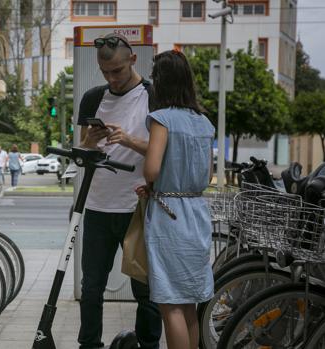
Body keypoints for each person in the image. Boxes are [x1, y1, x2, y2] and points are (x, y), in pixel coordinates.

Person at [77, 33, 162, 349]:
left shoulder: (154, 96)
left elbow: (163, 152)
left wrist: (128, 140)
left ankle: (148, 344)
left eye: (118, 71)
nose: (111, 79)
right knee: (91, 287)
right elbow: (83, 154)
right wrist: (88, 143)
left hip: (138, 207)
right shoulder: (93, 98)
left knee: (146, 289)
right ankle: (89, 345)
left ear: (133, 60)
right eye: (105, 73)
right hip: (99, 204)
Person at [136, 50, 215, 349]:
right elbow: (207, 177)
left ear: (161, 83)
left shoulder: (161, 119)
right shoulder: (204, 122)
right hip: (196, 213)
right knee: (190, 304)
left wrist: (154, 185)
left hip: (168, 217)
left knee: (170, 305)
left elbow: (152, 168)